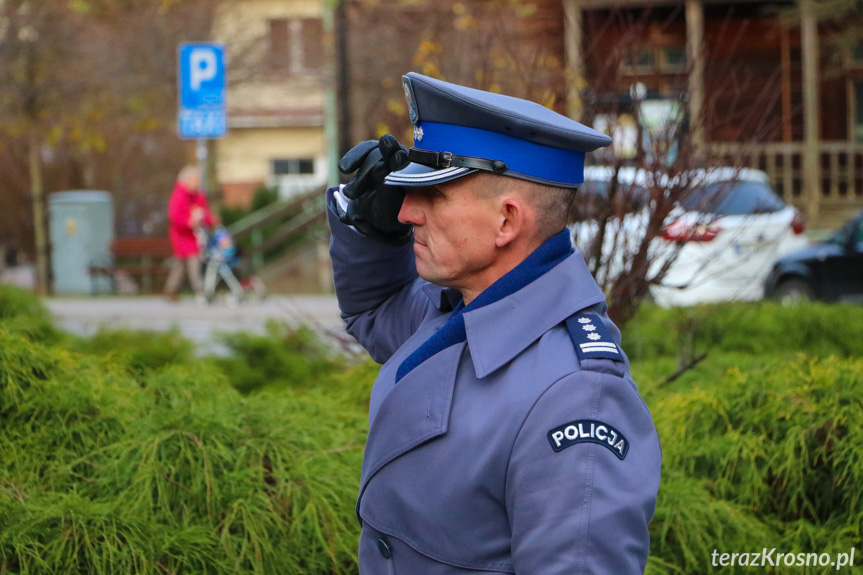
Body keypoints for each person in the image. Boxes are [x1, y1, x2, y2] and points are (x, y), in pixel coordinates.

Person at [328, 72, 662, 574]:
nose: (406, 213)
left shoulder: (577, 397)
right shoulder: (467, 306)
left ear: (507, 221)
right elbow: (375, 312)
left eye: (433, 196)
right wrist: (368, 226)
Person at [163, 165, 214, 303]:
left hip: (194, 235)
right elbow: (174, 217)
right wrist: (188, 222)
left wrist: (212, 221)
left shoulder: (198, 196)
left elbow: (204, 212)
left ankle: (170, 289)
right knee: (191, 262)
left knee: (181, 264)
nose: (198, 182)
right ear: (187, 179)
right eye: (195, 179)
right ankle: (200, 290)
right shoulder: (179, 195)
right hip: (181, 235)